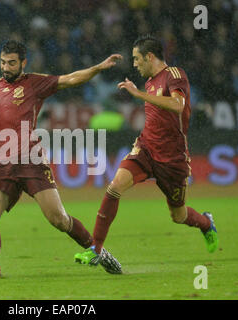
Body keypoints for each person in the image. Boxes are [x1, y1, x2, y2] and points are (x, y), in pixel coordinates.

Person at [0, 40, 123, 279]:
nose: (6, 67)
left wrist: (97, 68)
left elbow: (70, 79)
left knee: (57, 218)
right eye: (3, 62)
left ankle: (98, 250)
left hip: (31, 160)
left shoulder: (34, 83)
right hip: (3, 162)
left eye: (12, 63)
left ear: (23, 63)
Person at [74, 35, 219, 270]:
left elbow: (177, 105)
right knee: (114, 187)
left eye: (136, 59)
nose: (134, 64)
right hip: (146, 149)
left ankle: (205, 223)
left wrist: (138, 94)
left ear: (149, 56)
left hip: (172, 159)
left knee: (178, 216)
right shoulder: (151, 82)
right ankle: (96, 250)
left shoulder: (174, 75)